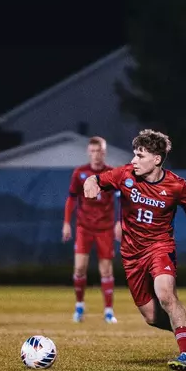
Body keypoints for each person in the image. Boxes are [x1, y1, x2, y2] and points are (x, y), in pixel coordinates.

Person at [83, 129, 186, 371]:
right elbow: (96, 180)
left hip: (159, 248)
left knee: (166, 294)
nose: (133, 160)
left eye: (139, 155)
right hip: (131, 255)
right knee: (152, 317)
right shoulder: (125, 174)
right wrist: (90, 183)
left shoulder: (176, 185)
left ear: (156, 159)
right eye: (134, 155)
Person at [62, 136, 121, 324]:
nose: (96, 155)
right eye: (93, 151)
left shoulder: (112, 173)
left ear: (104, 153)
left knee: (106, 270)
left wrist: (120, 222)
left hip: (104, 228)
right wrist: (66, 223)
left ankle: (109, 311)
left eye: (100, 151)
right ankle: (79, 306)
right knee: (79, 268)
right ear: (89, 152)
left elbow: (123, 201)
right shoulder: (80, 173)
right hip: (84, 227)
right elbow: (71, 198)